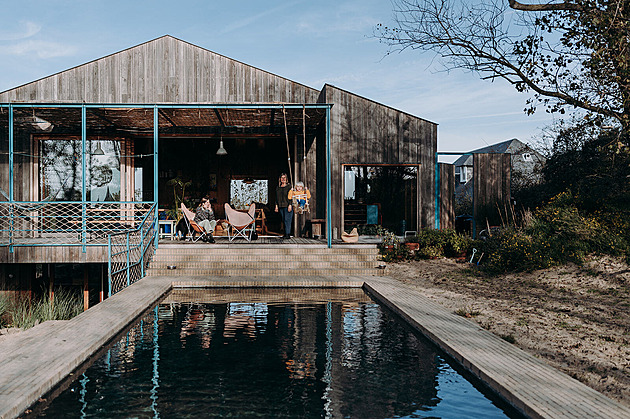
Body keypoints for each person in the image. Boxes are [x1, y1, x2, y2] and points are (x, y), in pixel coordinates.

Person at [274, 173, 292, 239]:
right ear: (280, 179)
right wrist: (276, 206)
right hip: (281, 206)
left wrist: (290, 204)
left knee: (287, 219)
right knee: (284, 220)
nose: (283, 179)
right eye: (282, 178)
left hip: (287, 205)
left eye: (284, 178)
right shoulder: (278, 188)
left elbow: (291, 196)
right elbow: (276, 198)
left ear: (286, 179)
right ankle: (285, 233)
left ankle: (288, 234)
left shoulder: (289, 187)